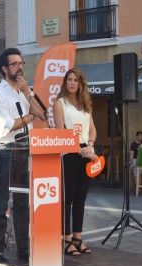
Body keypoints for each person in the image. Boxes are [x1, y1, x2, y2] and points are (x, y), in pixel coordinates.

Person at [0, 48, 45, 266]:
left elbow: (43, 114)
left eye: (21, 63)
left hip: (25, 151)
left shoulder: (23, 91)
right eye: (15, 64)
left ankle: (24, 249)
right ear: (5, 69)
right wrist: (30, 116)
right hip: (6, 150)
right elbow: (9, 124)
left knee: (23, 202)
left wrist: (28, 93)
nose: (20, 67)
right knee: (1, 202)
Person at [53, 68, 97, 256]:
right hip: (69, 153)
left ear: (81, 84)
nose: (72, 83)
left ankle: (78, 238)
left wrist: (90, 146)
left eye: (75, 80)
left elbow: (92, 130)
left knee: (81, 198)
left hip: (86, 153)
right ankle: (66, 239)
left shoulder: (86, 104)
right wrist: (78, 148)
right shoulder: (60, 103)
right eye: (69, 79)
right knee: (67, 198)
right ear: (65, 82)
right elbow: (60, 130)